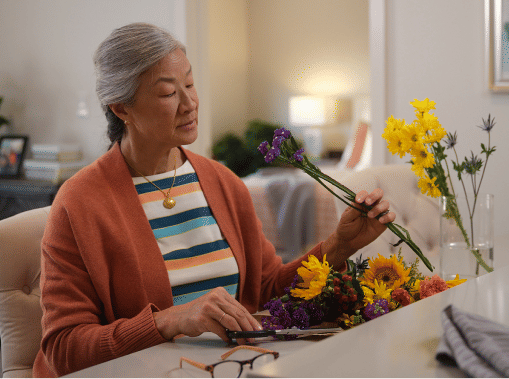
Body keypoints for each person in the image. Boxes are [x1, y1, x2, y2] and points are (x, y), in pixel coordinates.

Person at [32, 22, 396, 377]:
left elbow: (268, 291)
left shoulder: (222, 182)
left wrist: (340, 245)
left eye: (189, 83)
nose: (190, 103)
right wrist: (171, 319)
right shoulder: (78, 203)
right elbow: (64, 350)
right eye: (168, 93)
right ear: (121, 108)